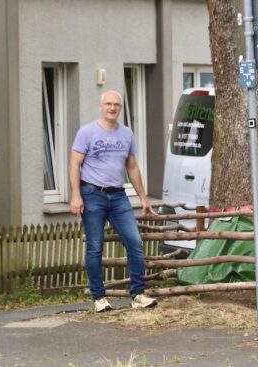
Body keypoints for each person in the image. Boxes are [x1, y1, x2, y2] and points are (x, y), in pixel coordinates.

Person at [69, 90, 158, 312]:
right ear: (101, 106)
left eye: (116, 104)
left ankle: (138, 295)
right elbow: (74, 164)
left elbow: (132, 167)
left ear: (120, 108)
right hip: (92, 194)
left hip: (119, 196)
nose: (112, 107)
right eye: (108, 104)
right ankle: (99, 298)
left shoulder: (126, 134)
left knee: (135, 243)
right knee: (95, 247)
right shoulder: (87, 132)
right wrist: (76, 195)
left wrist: (144, 198)